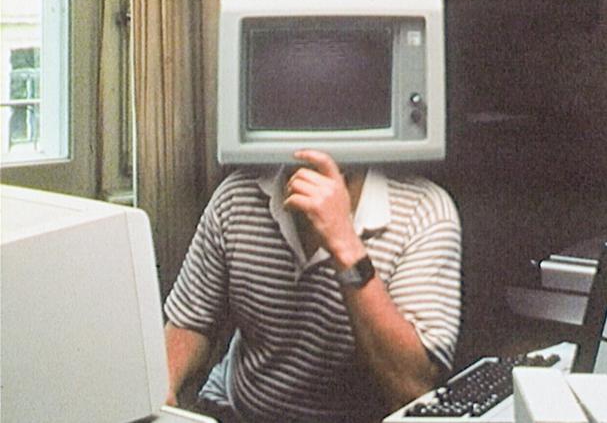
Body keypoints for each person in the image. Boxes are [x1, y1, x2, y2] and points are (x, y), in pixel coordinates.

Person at [164, 149, 461, 423]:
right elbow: (191, 321)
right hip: (237, 412)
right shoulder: (236, 196)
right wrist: (160, 390)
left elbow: (412, 389)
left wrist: (345, 245)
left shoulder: (425, 212)